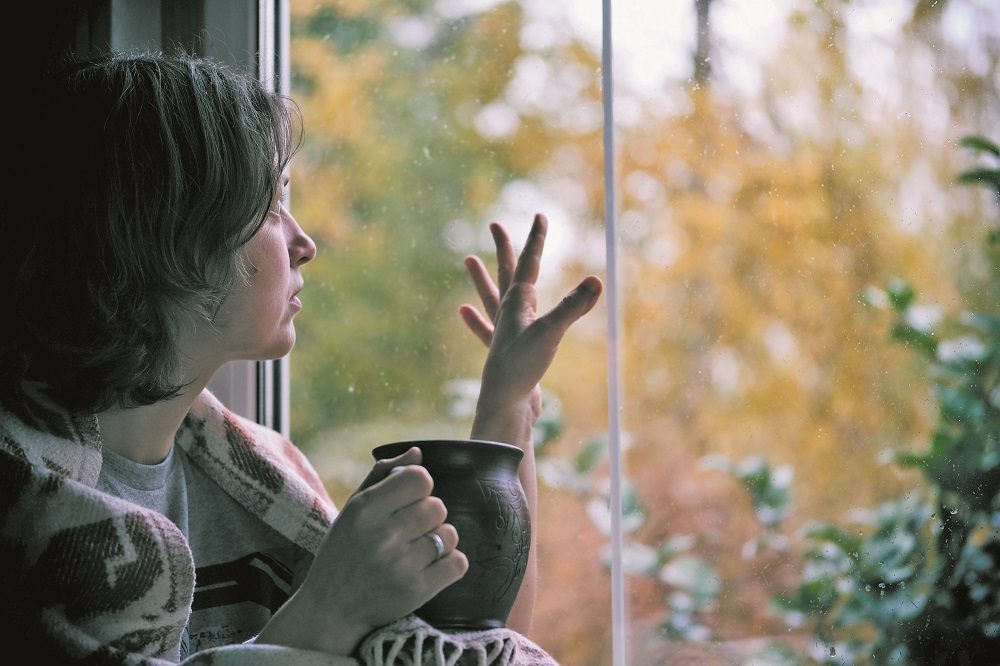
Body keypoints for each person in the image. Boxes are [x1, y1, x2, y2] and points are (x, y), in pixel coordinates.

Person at [0, 49, 603, 664]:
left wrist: (509, 404)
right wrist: (331, 609)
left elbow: (466, 644)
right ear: (163, 233)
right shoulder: (17, 514)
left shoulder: (271, 478)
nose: (305, 242)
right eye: (269, 205)